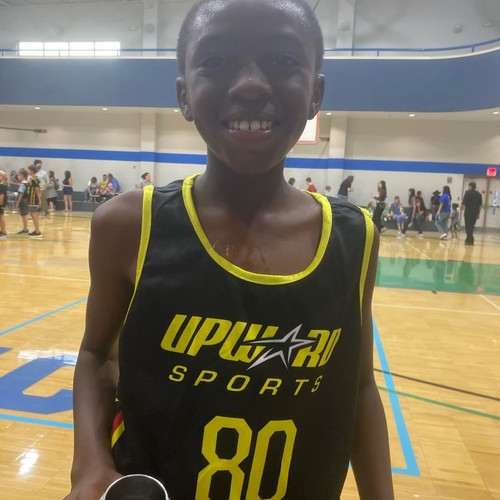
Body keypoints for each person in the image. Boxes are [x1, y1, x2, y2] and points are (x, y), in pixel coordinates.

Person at [67, 1, 394, 499]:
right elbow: (95, 356)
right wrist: (89, 465)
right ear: (184, 96)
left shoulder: (355, 237)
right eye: (216, 61)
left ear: (316, 94)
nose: (249, 85)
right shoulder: (129, 225)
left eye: (282, 60)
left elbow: (359, 387)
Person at [461, 181, 482, 246]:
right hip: (475, 213)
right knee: (472, 226)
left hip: (468, 212)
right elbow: (480, 205)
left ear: (470, 186)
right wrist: (478, 214)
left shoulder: (467, 193)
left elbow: (464, 203)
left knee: (468, 226)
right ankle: (467, 240)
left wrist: (461, 209)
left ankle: (471, 240)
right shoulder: (479, 194)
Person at [26, 164, 42, 237]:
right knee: (33, 214)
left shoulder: (33, 179)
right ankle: (36, 230)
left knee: (34, 214)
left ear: (32, 171)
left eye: (28, 170)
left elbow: (36, 189)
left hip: (33, 199)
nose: (27, 171)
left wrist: (39, 199)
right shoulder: (36, 178)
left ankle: (37, 231)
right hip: (33, 198)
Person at [15, 169, 29, 234]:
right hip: (26, 200)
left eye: (19, 175)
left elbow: (21, 194)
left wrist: (18, 202)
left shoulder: (23, 184)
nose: (18, 177)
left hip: (23, 200)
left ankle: (25, 229)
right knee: (24, 214)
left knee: (24, 214)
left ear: (22, 176)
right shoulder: (27, 183)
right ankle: (25, 228)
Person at [0, 170, 7, 239]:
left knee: (1, 217)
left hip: (1, 204)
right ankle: (1, 231)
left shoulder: (2, 185)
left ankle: (3, 232)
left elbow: (2, 196)